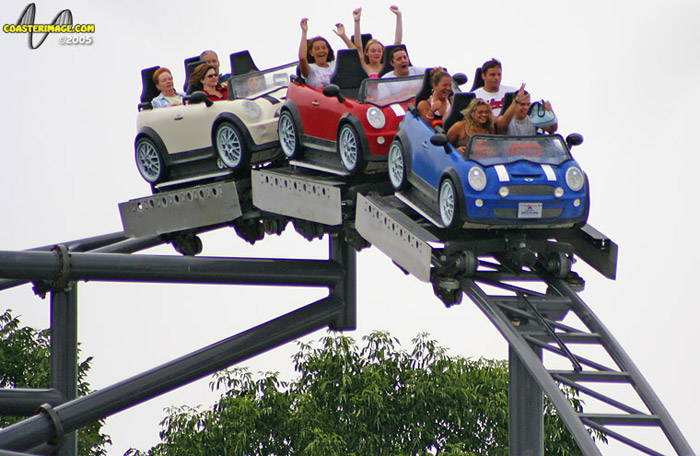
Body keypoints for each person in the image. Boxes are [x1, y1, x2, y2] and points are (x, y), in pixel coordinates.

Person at [346, 6, 403, 78]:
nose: (376, 53)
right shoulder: (365, 66)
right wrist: (357, 21)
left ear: (383, 53)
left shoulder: (388, 65)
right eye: (373, 51)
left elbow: (397, 42)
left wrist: (399, 16)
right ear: (366, 53)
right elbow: (358, 47)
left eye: (379, 51)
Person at [298, 18, 336, 88]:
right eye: (317, 49)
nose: (321, 51)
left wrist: (343, 36)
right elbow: (302, 58)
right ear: (311, 53)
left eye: (324, 48)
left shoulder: (335, 65)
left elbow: (357, 54)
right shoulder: (311, 70)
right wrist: (304, 32)